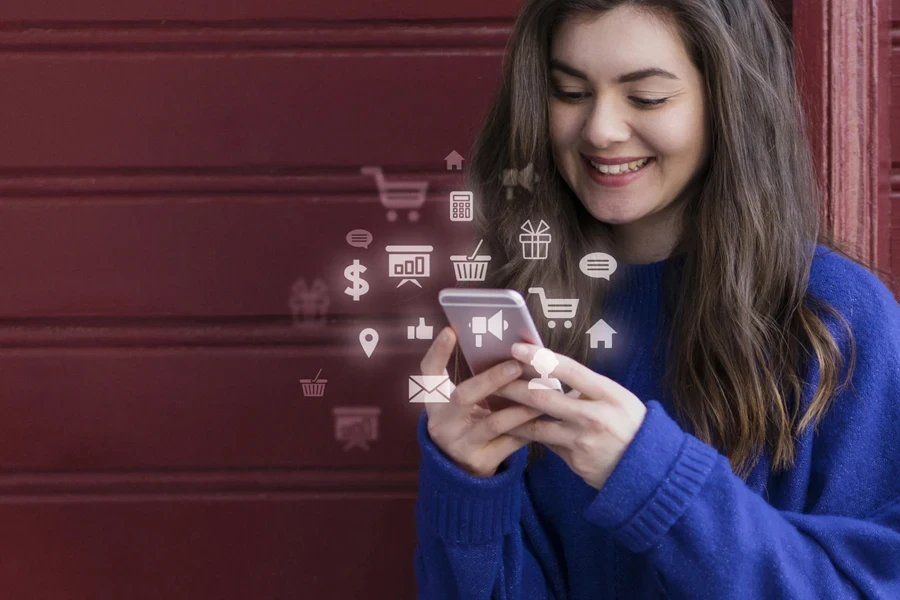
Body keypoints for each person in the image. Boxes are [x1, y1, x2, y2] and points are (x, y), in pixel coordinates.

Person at [413, 0, 900, 598]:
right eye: (570, 92)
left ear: (728, 107)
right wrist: (467, 488)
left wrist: (652, 478)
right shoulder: (524, 306)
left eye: (646, 97)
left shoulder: (837, 316)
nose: (599, 130)